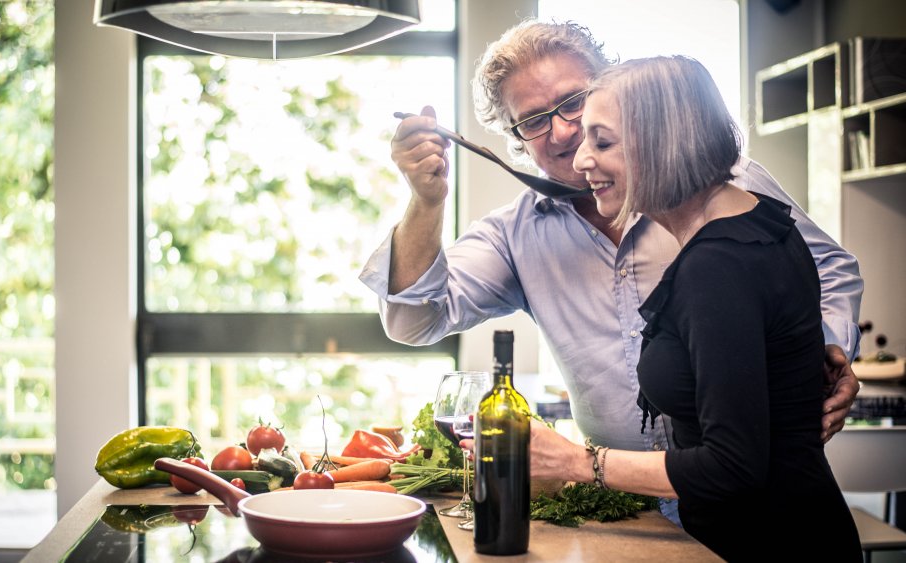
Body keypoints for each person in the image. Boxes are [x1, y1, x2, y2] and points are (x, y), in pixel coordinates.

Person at [359, 20, 862, 519]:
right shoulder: (514, 235)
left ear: (609, 88)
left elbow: (828, 270)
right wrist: (426, 202)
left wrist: (815, 359)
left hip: (753, 506)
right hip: (626, 504)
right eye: (533, 120)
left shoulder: (719, 189)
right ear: (515, 137)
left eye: (573, 102)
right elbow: (413, 320)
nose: (562, 132)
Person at [535, 54, 860, 560]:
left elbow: (732, 466)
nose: (580, 161)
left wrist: (579, 462)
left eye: (602, 142)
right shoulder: (763, 221)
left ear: (660, 142)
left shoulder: (717, 266)